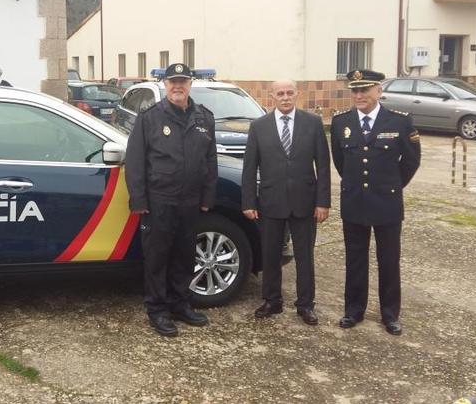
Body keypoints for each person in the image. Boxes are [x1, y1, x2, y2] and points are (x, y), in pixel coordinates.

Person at [125, 62, 218, 337]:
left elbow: (210, 160)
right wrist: (139, 200)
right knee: (157, 258)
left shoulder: (204, 118)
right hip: (159, 201)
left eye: (183, 81)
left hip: (190, 201)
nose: (178, 86)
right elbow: (135, 162)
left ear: (191, 84)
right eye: (173, 82)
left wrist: (207, 197)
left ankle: (180, 304)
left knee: (184, 256)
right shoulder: (150, 117)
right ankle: (157, 310)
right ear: (165, 85)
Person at [330, 69, 421, 335]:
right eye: (355, 91)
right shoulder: (340, 122)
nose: (359, 95)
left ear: (378, 91)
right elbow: (340, 162)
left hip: (387, 203)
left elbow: (411, 161)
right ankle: (353, 310)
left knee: (389, 259)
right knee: (355, 259)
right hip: (355, 201)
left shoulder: (399, 122)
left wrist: (392, 186)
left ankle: (390, 314)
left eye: (364, 90)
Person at [241, 80, 330, 325]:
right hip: (270, 201)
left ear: (297, 95)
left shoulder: (312, 124)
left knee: (305, 256)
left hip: (305, 202)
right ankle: (272, 300)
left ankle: (305, 305)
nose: (285, 97)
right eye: (280, 93)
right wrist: (249, 202)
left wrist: (323, 202)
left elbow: (322, 165)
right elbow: (249, 168)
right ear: (272, 97)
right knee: (270, 255)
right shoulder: (259, 127)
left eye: (290, 93)